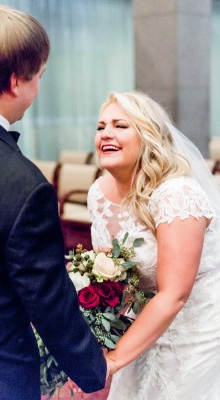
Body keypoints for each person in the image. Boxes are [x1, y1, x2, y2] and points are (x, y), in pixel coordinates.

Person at [0, 5, 107, 400]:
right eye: (40, 76)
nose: (39, 88)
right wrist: (94, 373)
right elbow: (48, 300)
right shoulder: (21, 185)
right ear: (15, 81)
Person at [88, 91, 220, 399]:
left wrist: (114, 360)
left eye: (121, 125)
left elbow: (175, 293)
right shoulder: (99, 192)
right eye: (101, 126)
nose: (106, 133)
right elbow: (113, 275)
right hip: (142, 323)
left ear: (148, 136)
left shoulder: (177, 193)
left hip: (197, 330)